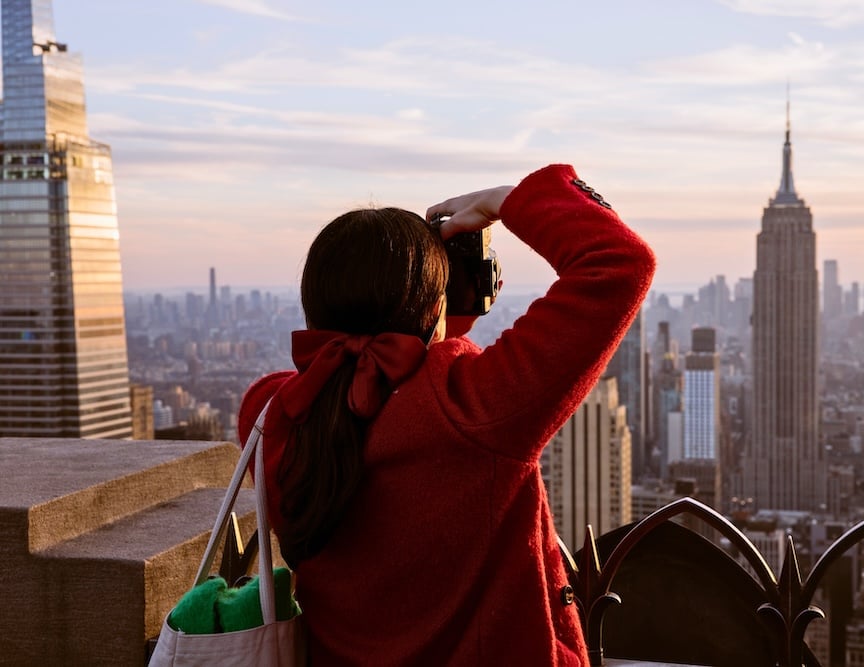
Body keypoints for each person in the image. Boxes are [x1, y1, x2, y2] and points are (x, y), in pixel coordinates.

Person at [237, 163, 656, 665]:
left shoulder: (271, 418)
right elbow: (620, 261)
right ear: (437, 306)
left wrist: (432, 307)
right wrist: (506, 200)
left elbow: (367, 386)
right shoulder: (476, 409)